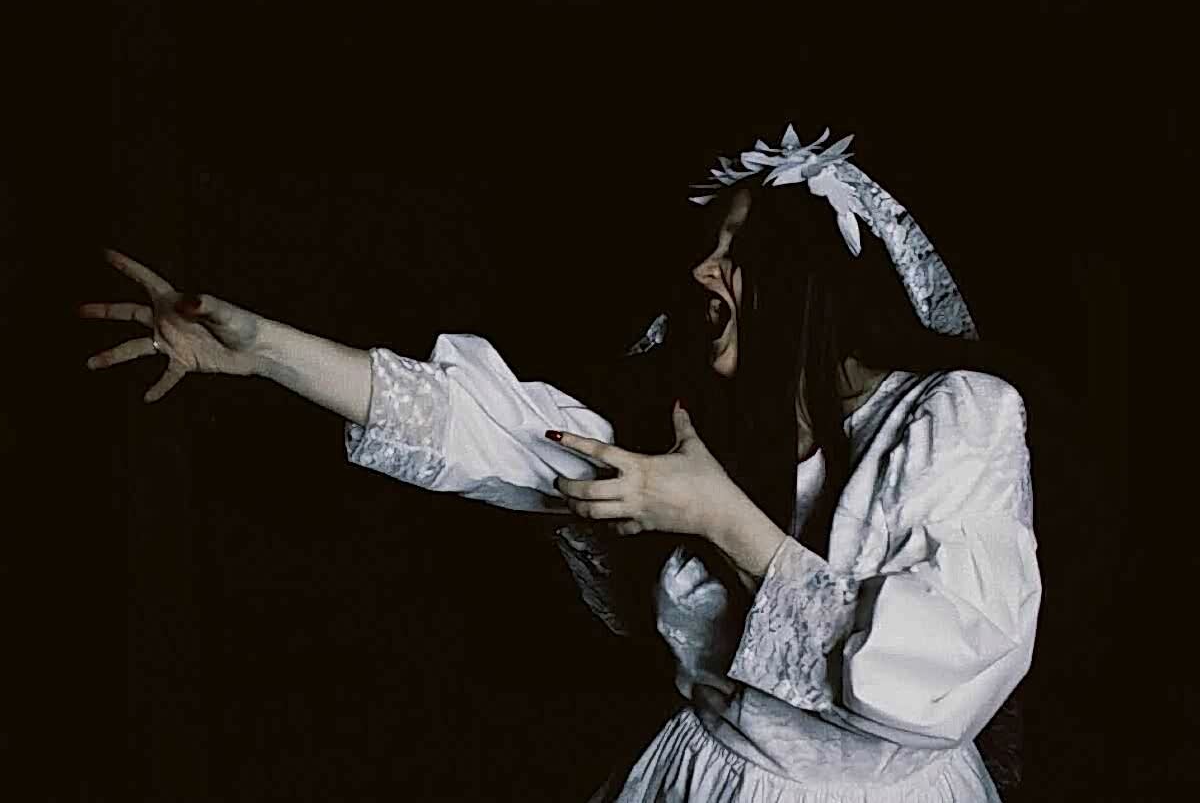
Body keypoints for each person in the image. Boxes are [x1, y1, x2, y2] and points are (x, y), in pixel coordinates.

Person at [82, 125, 1041, 801]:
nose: (703, 272)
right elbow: (477, 427)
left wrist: (718, 517)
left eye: (739, 250)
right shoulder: (690, 419)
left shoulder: (957, 417)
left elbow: (948, 674)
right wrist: (262, 350)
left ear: (814, 281)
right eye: (710, 247)